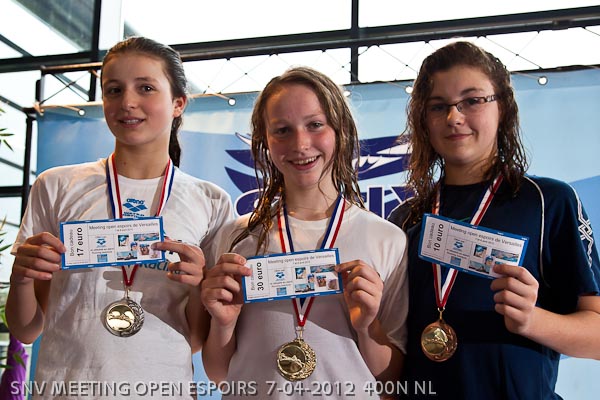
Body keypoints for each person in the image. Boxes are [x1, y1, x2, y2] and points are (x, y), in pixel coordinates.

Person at [6, 36, 233, 399]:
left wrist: (197, 287)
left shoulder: (210, 201)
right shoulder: (57, 185)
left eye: (145, 88)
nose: (127, 102)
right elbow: (26, 328)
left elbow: (193, 341)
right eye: (114, 90)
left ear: (178, 103)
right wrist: (20, 277)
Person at [388, 41, 600, 399]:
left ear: (503, 107)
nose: (454, 118)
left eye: (472, 101)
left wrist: (533, 320)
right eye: (438, 106)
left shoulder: (548, 201)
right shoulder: (405, 218)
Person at [201, 66, 408, 399]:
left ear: (340, 129)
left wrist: (368, 327)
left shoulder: (386, 239)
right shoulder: (235, 237)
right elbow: (220, 375)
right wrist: (223, 323)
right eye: (282, 130)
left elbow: (391, 382)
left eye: (315, 125)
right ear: (265, 141)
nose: (300, 144)